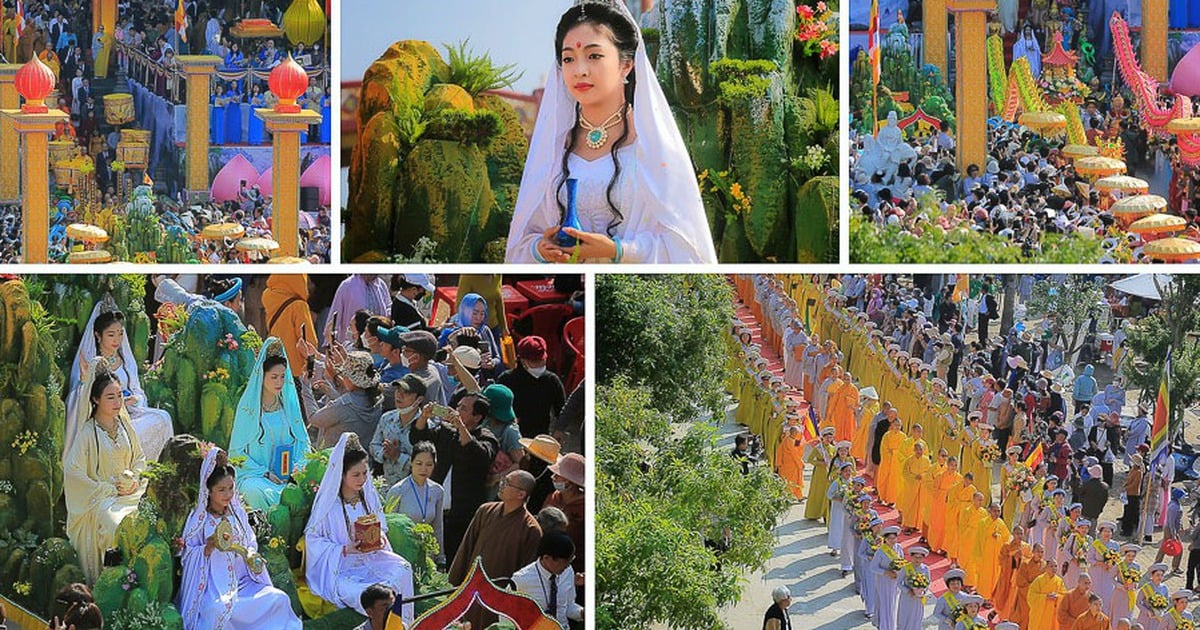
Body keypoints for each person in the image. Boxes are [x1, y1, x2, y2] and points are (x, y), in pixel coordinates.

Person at [505, 1, 717, 263]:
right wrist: (540, 249)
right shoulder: (554, 145)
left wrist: (619, 251)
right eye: (568, 58)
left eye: (594, 56)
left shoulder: (652, 143)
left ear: (626, 64)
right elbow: (521, 243)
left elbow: (687, 247)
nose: (579, 70)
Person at [178, 446, 301, 629]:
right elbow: (187, 556)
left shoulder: (238, 514)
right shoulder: (199, 520)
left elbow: (250, 542)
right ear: (208, 491)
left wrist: (251, 554)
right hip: (213, 588)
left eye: (231, 488)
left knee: (279, 599)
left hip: (244, 582)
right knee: (217, 610)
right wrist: (207, 547)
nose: (228, 494)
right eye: (221, 490)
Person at [304, 433, 415, 623]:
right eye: (356, 474)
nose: (362, 479)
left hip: (372, 558)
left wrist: (379, 539)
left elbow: (380, 528)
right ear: (342, 474)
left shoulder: (367, 497)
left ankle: (404, 624)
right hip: (341, 568)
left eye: (365, 473)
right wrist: (344, 550)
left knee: (403, 568)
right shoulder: (330, 506)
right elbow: (313, 540)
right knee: (367, 593)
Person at [64, 361, 146, 582]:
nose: (118, 402)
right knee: (114, 523)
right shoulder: (88, 433)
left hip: (131, 492)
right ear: (95, 399)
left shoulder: (125, 427)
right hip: (102, 500)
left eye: (120, 395)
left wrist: (135, 480)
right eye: (111, 397)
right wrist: (107, 489)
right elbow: (73, 473)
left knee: (148, 514)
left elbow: (139, 458)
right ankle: (113, 581)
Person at [67, 300, 174, 461]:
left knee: (163, 417)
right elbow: (82, 399)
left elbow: (136, 390)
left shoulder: (124, 359)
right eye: (111, 335)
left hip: (129, 414)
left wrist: (135, 399)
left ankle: (147, 474)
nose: (117, 339)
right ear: (97, 335)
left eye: (120, 333)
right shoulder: (92, 361)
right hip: (105, 420)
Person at [408, 392, 499, 563]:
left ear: (477, 417)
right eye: (457, 407)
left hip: (461, 515)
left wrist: (461, 428)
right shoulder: (446, 432)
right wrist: (424, 417)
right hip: (433, 508)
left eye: (463, 409)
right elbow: (418, 439)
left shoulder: (487, 438)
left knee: (453, 559)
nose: (457, 411)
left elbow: (479, 456)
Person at [229, 339, 310, 512]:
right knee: (253, 492)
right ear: (261, 376)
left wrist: (297, 469)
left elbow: (303, 443)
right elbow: (236, 453)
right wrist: (265, 473)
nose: (279, 382)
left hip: (290, 477)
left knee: (309, 489)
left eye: (282, 376)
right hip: (257, 477)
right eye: (274, 377)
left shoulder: (289, 407)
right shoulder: (248, 410)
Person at [448, 470, 542, 589]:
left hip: (500, 595)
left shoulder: (530, 529)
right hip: (470, 588)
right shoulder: (486, 511)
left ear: (521, 494)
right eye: (503, 481)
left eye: (507, 483)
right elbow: (466, 548)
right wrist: (452, 584)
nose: (501, 485)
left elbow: (526, 573)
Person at [307, 349, 383, 448]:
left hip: (338, 460)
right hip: (362, 460)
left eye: (345, 375)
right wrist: (331, 392)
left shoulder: (343, 404)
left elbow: (314, 419)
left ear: (351, 380)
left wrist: (305, 388)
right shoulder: (377, 398)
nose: (344, 378)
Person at [385, 441, 445, 565]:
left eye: (429, 464)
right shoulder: (398, 490)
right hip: (402, 554)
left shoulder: (437, 491)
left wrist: (440, 558)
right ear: (411, 463)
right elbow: (387, 528)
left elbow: (438, 526)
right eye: (419, 463)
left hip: (427, 555)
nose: (423, 469)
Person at [497, 335, 566, 439]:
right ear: (523, 361)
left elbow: (561, 410)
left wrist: (559, 430)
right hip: (510, 436)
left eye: (541, 360)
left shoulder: (552, 381)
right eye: (535, 362)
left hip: (540, 437)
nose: (539, 365)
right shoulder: (507, 380)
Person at [510, 531, 583, 627]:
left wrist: (582, 613)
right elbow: (506, 614)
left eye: (571, 560)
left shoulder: (568, 572)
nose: (568, 565)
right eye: (565, 561)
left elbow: (567, 606)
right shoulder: (521, 580)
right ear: (547, 558)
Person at [372, 374, 426, 487]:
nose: (399, 395)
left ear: (419, 399)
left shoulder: (426, 428)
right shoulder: (387, 418)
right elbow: (374, 445)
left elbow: (426, 466)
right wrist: (384, 453)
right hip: (385, 487)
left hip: (413, 490)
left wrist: (398, 456)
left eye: (406, 392)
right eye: (398, 390)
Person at [543, 452, 586, 576]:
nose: (553, 477)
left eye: (558, 475)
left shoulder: (584, 506)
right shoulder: (551, 498)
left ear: (570, 482)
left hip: (572, 567)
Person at [437, 293, 502, 374]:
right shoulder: (452, 331)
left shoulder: (485, 330)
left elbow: (497, 358)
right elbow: (439, 358)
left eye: (482, 314)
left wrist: (492, 363)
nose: (478, 318)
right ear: (465, 312)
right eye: (474, 313)